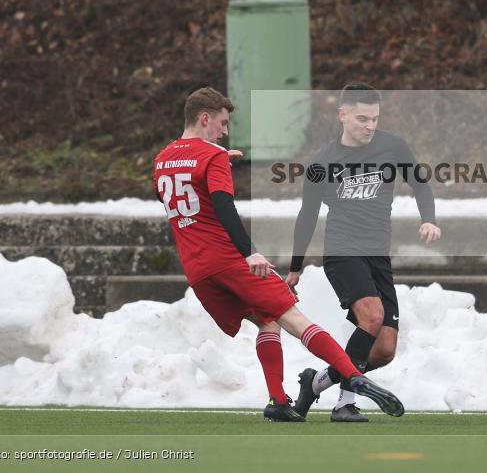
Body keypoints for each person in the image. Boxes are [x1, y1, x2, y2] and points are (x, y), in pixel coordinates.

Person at [152, 86, 404, 422]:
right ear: (204, 118)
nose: (226, 132)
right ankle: (354, 377)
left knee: (266, 319)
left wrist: (213, 161)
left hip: (198, 270)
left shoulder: (163, 159)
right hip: (230, 260)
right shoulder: (212, 157)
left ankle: (278, 401)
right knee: (295, 318)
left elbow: (180, 200)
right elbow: (224, 207)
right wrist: (250, 253)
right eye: (223, 124)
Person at [285, 82, 441, 422]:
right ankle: (345, 404)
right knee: (371, 317)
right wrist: (295, 267)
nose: (370, 126)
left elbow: (420, 183)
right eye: (362, 119)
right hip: (342, 252)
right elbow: (307, 215)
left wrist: (428, 219)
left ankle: (315, 384)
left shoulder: (392, 146)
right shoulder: (322, 163)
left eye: (374, 119)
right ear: (342, 115)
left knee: (384, 350)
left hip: (377, 256)